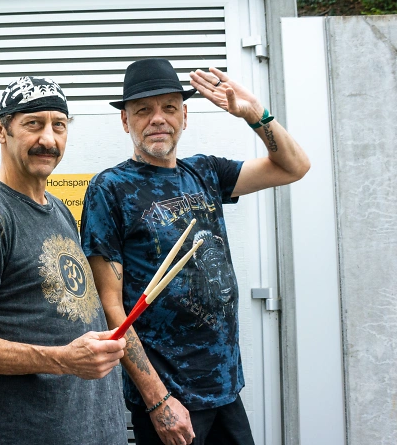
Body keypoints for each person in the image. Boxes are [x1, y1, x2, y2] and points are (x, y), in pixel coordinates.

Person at [80, 58, 310, 445]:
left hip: (225, 387)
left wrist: (255, 113)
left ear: (184, 116)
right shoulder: (110, 188)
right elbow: (111, 306)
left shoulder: (205, 172)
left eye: (169, 107)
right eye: (143, 110)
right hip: (169, 398)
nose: (158, 118)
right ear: (125, 121)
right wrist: (157, 400)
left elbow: (294, 167)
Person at [0, 76, 128, 445]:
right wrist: (63, 359)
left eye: (59, 125)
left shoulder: (58, 209)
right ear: (0, 130)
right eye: (33, 124)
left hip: (99, 431)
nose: (49, 139)